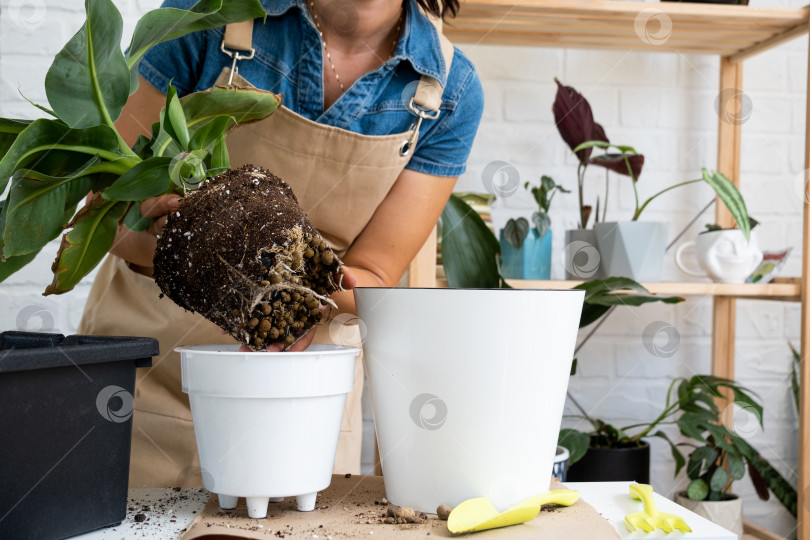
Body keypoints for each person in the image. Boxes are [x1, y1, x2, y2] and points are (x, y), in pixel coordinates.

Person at [79, 0, 484, 487]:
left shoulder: (449, 90)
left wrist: (292, 287)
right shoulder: (206, 14)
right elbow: (105, 210)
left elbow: (373, 276)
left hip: (300, 401)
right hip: (149, 378)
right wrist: (188, 238)